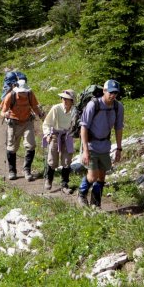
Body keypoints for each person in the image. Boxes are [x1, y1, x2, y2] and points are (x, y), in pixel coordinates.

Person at [78, 79, 124, 208]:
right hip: (91, 145)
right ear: (104, 91)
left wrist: (119, 148)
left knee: (102, 177)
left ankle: (96, 203)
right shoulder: (93, 105)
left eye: (115, 92)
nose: (113, 95)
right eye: (110, 92)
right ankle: (81, 194)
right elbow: (84, 127)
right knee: (92, 177)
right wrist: (85, 150)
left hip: (105, 146)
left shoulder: (118, 107)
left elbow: (118, 128)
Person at [0, 78, 45, 180]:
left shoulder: (30, 94)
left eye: (25, 91)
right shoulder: (10, 96)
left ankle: (27, 170)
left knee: (31, 145)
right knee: (11, 148)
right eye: (22, 92)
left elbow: (35, 107)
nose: (23, 93)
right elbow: (2, 112)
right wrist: (5, 114)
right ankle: (12, 171)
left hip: (27, 122)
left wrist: (41, 115)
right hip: (13, 123)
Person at [41, 89, 76, 192]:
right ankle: (49, 179)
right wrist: (47, 134)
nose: (64, 100)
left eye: (67, 99)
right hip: (55, 135)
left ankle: (64, 184)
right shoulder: (56, 108)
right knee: (52, 159)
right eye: (63, 98)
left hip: (68, 135)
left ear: (72, 101)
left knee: (67, 161)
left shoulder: (75, 111)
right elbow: (47, 123)